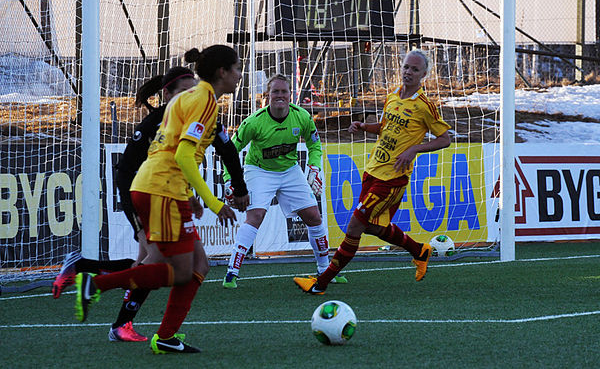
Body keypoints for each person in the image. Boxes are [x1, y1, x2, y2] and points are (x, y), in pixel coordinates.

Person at [71, 45, 249, 355]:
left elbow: (173, 151)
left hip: (162, 187)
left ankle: (166, 336)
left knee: (199, 266)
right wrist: (214, 203)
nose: (239, 74)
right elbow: (182, 154)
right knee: (179, 271)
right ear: (222, 72)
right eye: (236, 68)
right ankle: (93, 284)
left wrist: (190, 195)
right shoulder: (205, 100)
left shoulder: (189, 98)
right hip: (161, 189)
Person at [293, 49, 451, 294]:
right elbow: (386, 128)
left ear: (424, 75)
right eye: (406, 67)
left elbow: (444, 139)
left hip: (392, 178)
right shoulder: (392, 97)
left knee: (355, 225)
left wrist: (414, 150)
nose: (408, 72)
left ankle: (320, 283)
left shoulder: (424, 106)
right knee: (372, 227)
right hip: (373, 170)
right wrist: (365, 126)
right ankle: (420, 251)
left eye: (415, 69)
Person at [221, 74, 347, 289]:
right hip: (259, 171)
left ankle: (324, 269)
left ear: (291, 95)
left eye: (284, 92)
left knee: (313, 216)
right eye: (275, 92)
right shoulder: (254, 122)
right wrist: (228, 180)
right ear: (267, 96)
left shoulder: (302, 117)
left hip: (290, 171)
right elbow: (230, 150)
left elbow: (315, 145)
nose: (280, 95)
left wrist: (314, 166)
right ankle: (232, 272)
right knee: (256, 215)